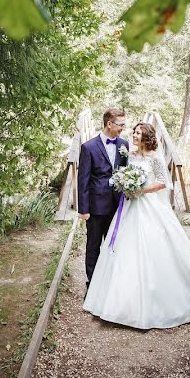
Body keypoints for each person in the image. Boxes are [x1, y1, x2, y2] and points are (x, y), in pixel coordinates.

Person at [83, 122, 190, 329]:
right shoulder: (130, 155)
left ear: (146, 136)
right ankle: (118, 299)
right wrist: (126, 185)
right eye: (133, 131)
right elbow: (121, 174)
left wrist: (141, 190)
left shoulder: (155, 157)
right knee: (123, 249)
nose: (133, 134)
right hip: (129, 207)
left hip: (147, 204)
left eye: (138, 132)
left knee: (151, 245)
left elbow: (164, 182)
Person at [76, 108, 130, 289]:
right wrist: (83, 210)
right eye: (121, 125)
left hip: (117, 206)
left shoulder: (124, 145)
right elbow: (82, 181)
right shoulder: (88, 147)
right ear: (109, 123)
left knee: (114, 244)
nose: (123, 128)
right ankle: (92, 284)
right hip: (96, 207)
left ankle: (111, 283)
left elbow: (125, 173)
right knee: (93, 245)